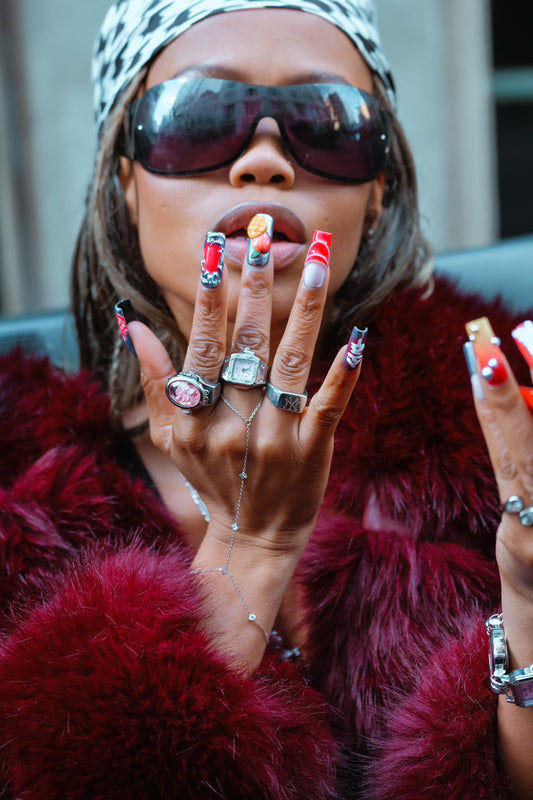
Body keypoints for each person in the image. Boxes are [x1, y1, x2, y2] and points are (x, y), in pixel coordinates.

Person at [0, 0, 532, 797]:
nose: (264, 162)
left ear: (378, 193)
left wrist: (525, 599)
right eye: (201, 118)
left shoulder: (501, 424)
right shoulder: (18, 486)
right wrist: (250, 546)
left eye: (326, 125)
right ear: (125, 181)